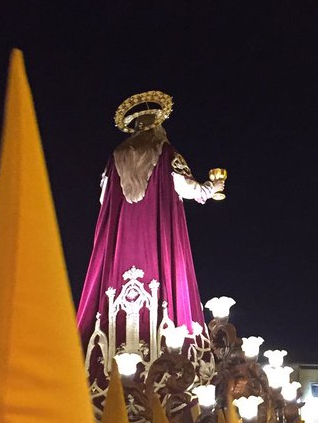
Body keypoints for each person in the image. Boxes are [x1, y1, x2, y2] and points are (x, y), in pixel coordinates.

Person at [74, 92, 225, 393]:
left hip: (119, 246)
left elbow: (104, 199)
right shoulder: (164, 151)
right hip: (156, 241)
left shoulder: (115, 158)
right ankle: (177, 363)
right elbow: (189, 187)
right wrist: (214, 187)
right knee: (169, 284)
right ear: (157, 124)